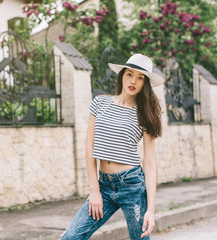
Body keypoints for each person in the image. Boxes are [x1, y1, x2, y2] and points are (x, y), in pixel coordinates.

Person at [61, 53, 164, 240]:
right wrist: (94, 190)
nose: (133, 81)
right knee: (71, 237)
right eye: (129, 74)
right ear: (122, 75)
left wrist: (150, 210)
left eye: (140, 77)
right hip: (104, 186)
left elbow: (150, 163)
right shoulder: (100, 103)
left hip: (132, 185)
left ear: (145, 84)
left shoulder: (145, 114)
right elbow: (89, 147)